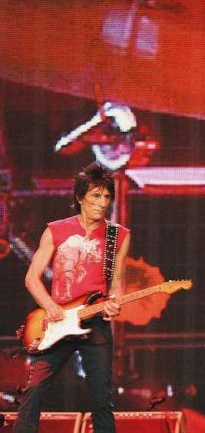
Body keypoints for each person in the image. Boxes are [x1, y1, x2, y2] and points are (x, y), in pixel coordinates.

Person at [15, 162, 130, 433]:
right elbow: (31, 278)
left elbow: (116, 283)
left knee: (101, 397)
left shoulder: (118, 235)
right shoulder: (56, 230)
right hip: (56, 322)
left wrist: (115, 303)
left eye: (107, 196)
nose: (102, 203)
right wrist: (50, 306)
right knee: (35, 388)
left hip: (95, 322)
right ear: (79, 197)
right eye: (96, 196)